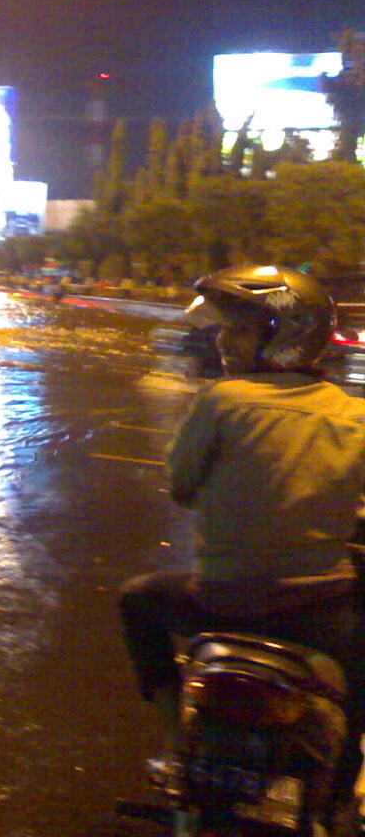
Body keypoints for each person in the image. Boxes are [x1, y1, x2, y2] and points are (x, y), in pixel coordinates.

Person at [118, 264, 365, 776]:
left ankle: (175, 743)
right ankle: (341, 785)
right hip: (321, 615)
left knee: (137, 599)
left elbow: (183, 487)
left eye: (241, 328)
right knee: (355, 689)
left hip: (222, 603)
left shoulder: (223, 399)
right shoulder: (354, 414)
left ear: (285, 337)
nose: (224, 339)